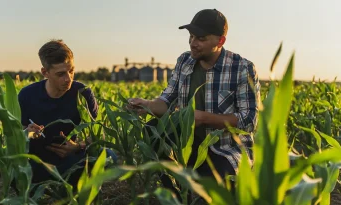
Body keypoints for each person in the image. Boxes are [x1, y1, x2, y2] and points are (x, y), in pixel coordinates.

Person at [127, 8, 261, 198]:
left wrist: (204, 118)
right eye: (191, 37)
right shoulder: (185, 61)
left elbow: (249, 120)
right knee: (153, 130)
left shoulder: (242, 68)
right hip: (187, 143)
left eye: (201, 38)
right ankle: (174, 196)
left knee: (209, 193)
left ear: (220, 41)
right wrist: (146, 104)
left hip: (224, 147)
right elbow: (166, 101)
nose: (193, 43)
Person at [18, 39, 116, 193]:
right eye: (61, 74)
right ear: (45, 72)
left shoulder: (82, 93)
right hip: (39, 162)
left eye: (71, 71)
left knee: (109, 156)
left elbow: (98, 135)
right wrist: (28, 133)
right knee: (13, 170)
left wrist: (78, 146)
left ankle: (72, 189)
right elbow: (17, 136)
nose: (68, 78)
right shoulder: (27, 95)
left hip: (72, 160)